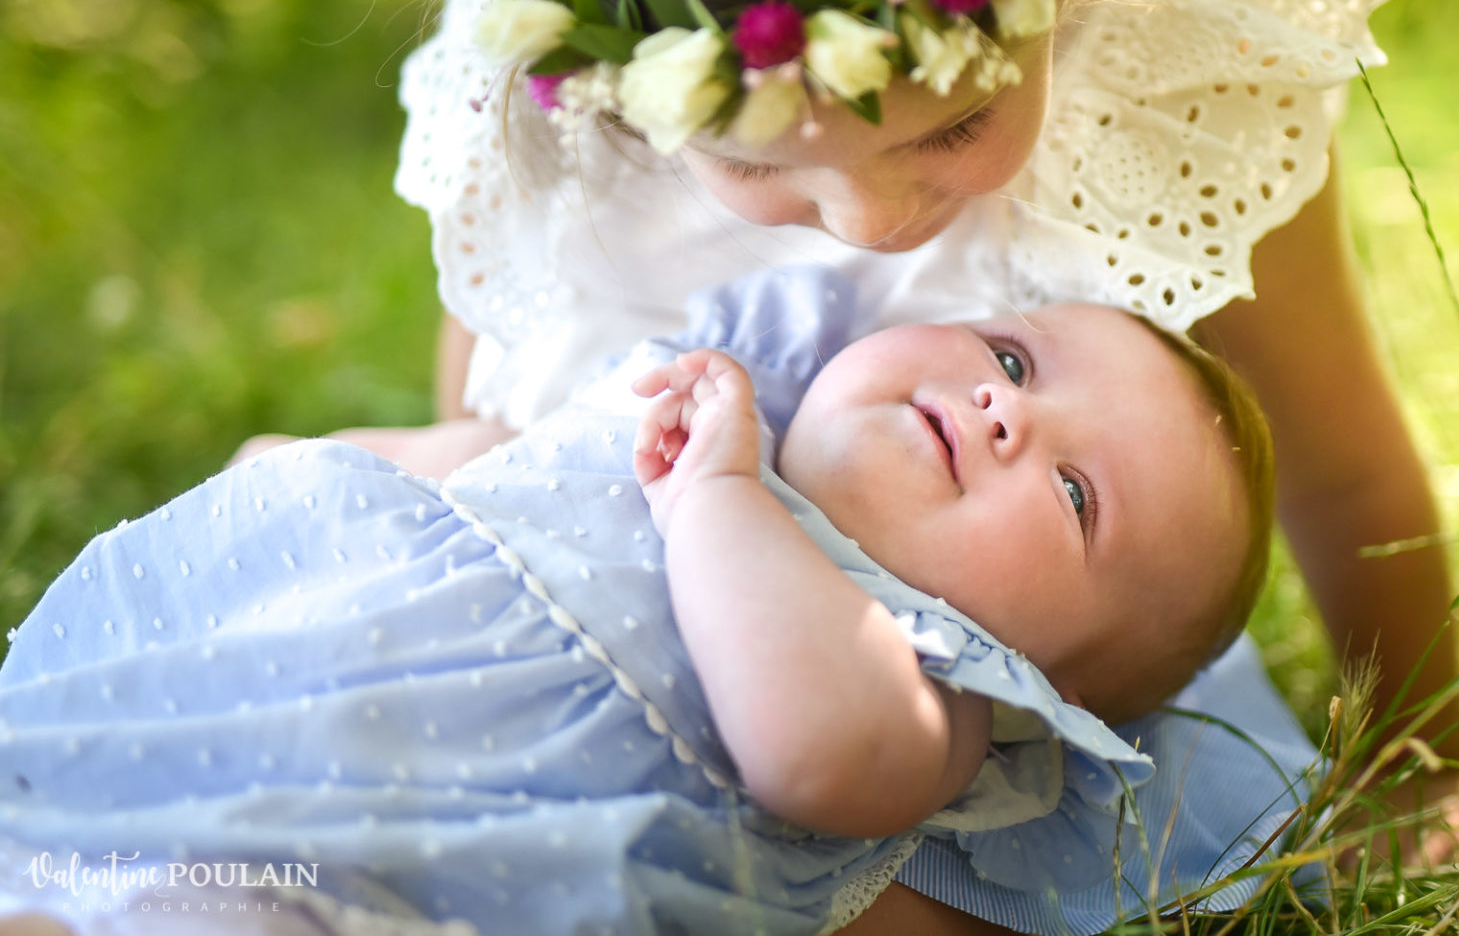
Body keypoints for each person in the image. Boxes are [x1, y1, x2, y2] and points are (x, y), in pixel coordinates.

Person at [343, 0, 1459, 928]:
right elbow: (483, 417)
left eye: (958, 126)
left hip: (974, 774)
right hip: (597, 691)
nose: (872, 219)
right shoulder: (554, 98)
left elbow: (1345, 475)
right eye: (755, 159)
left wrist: (1418, 758)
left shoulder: (1181, 82)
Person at [0, 272, 1278, 936]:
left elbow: (814, 748)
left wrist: (718, 497)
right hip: (238, 707)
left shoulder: (932, 702)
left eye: (1073, 492)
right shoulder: (698, 396)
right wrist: (301, 470)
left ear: (1048, 684)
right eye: (1014, 355)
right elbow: (482, 471)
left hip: (408, 871)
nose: (1008, 408)